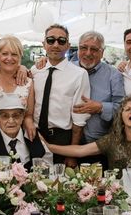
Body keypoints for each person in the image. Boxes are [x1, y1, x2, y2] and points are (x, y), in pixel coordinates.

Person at [43, 95, 131, 177]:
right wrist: (49, 146)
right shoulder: (112, 140)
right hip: (118, 199)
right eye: (127, 109)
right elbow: (80, 150)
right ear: (121, 116)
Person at [32, 24, 90, 166]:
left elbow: (79, 119)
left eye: (61, 41)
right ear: (44, 44)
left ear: (68, 45)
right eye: (51, 40)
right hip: (35, 135)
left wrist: (72, 154)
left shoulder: (79, 74)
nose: (56, 45)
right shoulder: (34, 71)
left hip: (62, 138)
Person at [72, 31, 125, 165]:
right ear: (78, 49)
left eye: (94, 49)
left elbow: (123, 108)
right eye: (84, 48)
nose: (88, 53)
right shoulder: (67, 70)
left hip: (98, 148)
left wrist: (100, 107)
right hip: (66, 144)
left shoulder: (114, 75)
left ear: (102, 53)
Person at [0, 35, 35, 137]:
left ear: (20, 57)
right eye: (4, 54)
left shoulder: (28, 83)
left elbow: (28, 115)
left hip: (17, 141)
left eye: (14, 54)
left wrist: (29, 122)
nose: (9, 58)